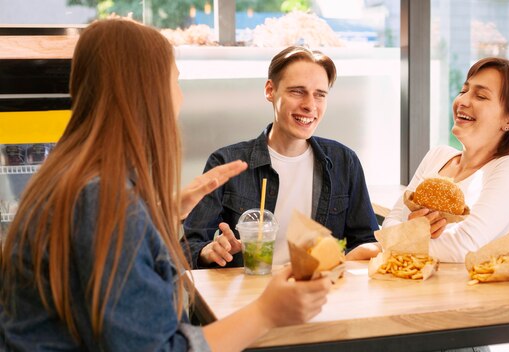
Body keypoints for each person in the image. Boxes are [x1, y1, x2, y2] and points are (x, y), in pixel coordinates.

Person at [0, 19, 331, 352]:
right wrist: (266, 312)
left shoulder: (75, 174)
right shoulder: (104, 199)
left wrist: (162, 213)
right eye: (175, 80)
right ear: (148, 92)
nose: (181, 97)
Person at [183, 46, 380, 269]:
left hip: (321, 295)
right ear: (270, 90)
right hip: (249, 297)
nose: (309, 105)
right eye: (297, 91)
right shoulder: (226, 162)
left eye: (319, 95)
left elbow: (366, 242)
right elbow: (189, 247)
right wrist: (209, 251)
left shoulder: (345, 161)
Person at [383, 57, 509, 263]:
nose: (463, 101)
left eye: (481, 96)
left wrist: (393, 242)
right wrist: (409, 230)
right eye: (463, 91)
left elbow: (462, 246)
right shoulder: (437, 156)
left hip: (462, 293)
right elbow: (390, 221)